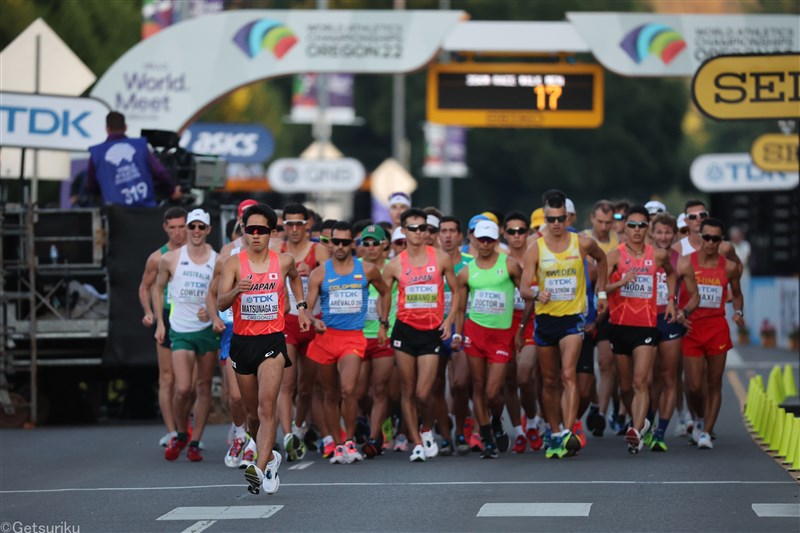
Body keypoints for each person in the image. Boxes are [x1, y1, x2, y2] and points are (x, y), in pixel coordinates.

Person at [217, 203, 311, 495]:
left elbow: (295, 277)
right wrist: (236, 291)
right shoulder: (233, 263)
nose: (255, 235)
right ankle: (270, 458)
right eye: (250, 230)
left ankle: (258, 470)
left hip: (271, 340)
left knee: (265, 406)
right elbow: (220, 303)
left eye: (261, 230)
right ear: (244, 231)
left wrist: (302, 307)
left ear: (271, 232)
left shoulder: (283, 261)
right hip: (242, 342)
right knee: (251, 414)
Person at [520, 190, 608, 459]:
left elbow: (603, 260)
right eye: (551, 219)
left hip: (572, 319)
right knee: (549, 380)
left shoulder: (581, 243)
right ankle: (555, 431)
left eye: (560, 219)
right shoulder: (536, 248)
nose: (556, 225)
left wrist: (601, 293)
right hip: (546, 320)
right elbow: (523, 287)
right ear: (545, 217)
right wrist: (536, 293)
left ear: (566, 217)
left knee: (568, 374)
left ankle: (568, 432)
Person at [304, 221, 390, 464]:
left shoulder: (368, 270)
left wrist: (384, 324)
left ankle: (350, 440)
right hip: (326, 337)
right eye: (336, 242)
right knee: (330, 394)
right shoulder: (319, 273)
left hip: (353, 337)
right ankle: (338, 442)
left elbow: (385, 292)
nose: (340, 246)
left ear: (353, 244)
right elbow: (307, 309)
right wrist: (313, 320)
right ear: (330, 243)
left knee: (349, 390)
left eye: (345, 242)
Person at [382, 208, 460, 462]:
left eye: (422, 228)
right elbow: (385, 295)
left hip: (431, 331)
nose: (418, 233)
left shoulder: (440, 258)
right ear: (403, 231)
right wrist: (384, 323)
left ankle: (426, 428)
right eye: (412, 228)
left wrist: (449, 321)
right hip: (404, 329)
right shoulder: (394, 264)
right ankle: (416, 441)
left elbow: (457, 292)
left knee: (424, 392)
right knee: (407, 389)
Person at [605, 205, 678, 454]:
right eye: (632, 226)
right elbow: (599, 287)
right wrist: (620, 282)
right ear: (625, 227)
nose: (637, 230)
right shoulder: (615, 255)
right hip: (619, 325)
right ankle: (639, 421)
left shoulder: (657, 255)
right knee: (625, 386)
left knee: (641, 381)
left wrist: (669, 300)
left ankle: (636, 431)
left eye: (641, 225)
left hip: (646, 325)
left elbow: (671, 275)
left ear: (648, 227)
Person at [453, 220, 522, 459]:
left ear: (496, 240)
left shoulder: (510, 265)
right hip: (475, 333)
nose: (484, 244)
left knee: (493, 392)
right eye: (481, 239)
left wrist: (521, 329)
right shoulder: (466, 271)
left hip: (501, 335)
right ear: (473, 239)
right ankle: (487, 438)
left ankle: (496, 421)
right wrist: (458, 333)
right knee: (479, 387)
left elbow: (525, 296)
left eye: (489, 240)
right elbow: (461, 308)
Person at [154, 209, 219, 462]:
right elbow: (157, 289)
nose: (195, 231)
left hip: (205, 331)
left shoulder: (217, 260)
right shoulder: (170, 259)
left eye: (201, 227)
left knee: (203, 387)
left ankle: (195, 440)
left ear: (208, 230)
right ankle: (181, 432)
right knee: (183, 389)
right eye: (192, 226)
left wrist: (212, 313)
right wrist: (160, 322)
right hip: (179, 329)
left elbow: (220, 293)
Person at [679, 218, 744, 450]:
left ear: (721, 240)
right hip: (692, 329)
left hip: (717, 328)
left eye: (715, 239)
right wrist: (676, 310)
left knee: (714, 382)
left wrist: (737, 311)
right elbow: (670, 285)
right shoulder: (686, 263)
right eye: (706, 237)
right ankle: (697, 417)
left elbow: (737, 293)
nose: (710, 242)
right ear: (700, 237)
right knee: (695, 385)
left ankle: (706, 431)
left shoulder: (729, 266)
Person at [278, 203, 330, 461]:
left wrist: (316, 273)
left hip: (312, 322)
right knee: (286, 383)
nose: (295, 229)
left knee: (307, 386)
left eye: (299, 223)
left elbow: (333, 279)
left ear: (307, 224)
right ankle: (288, 436)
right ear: (284, 225)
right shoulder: (277, 249)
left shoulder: (318, 250)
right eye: (290, 224)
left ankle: (299, 426)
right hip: (286, 322)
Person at [649, 212, 699, 451]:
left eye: (668, 232)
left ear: (675, 233)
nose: (663, 236)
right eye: (659, 231)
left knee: (669, 377)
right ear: (652, 232)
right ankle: (645, 423)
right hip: (645, 321)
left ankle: (660, 433)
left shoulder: (682, 261)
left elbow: (695, 296)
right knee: (649, 378)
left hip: (669, 322)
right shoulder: (643, 256)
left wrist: (683, 312)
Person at [139, 207, 188, 447]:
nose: (178, 232)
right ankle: (172, 432)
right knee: (167, 377)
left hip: (193, 317)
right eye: (173, 227)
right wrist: (150, 313)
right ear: (165, 228)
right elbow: (145, 287)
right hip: (168, 316)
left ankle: (186, 427)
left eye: (182, 226)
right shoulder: (158, 257)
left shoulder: (201, 253)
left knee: (192, 382)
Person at [355, 225, 399, 458]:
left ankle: (373, 438)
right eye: (366, 242)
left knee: (382, 390)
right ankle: (366, 421)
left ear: (384, 245)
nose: (370, 247)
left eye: (375, 242)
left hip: (385, 335)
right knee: (359, 391)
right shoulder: (355, 268)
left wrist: (387, 324)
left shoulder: (393, 267)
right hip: (359, 336)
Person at [87, 111, 181, 207]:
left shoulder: (97, 153)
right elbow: (160, 172)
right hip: (144, 211)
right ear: (125, 127)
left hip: (114, 214)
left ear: (107, 129)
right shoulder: (140, 145)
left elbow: (92, 186)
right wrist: (172, 190)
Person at [438, 215, 474, 454]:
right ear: (439, 235)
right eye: (444, 231)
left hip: (465, 325)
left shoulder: (472, 262)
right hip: (435, 327)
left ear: (460, 236)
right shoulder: (431, 262)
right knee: (434, 386)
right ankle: (443, 435)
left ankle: (461, 429)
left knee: (460, 383)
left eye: (453, 231)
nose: (448, 235)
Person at [582, 200, 618, 436]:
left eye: (608, 222)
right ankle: (595, 402)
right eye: (600, 221)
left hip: (609, 309)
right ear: (592, 219)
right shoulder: (582, 239)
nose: (604, 227)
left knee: (606, 362)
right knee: (585, 370)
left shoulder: (619, 242)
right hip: (583, 310)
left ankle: (601, 414)